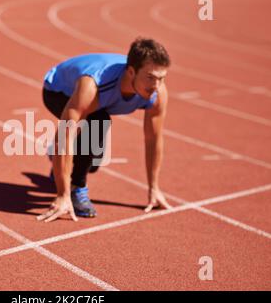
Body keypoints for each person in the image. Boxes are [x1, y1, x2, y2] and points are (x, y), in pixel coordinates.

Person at [37, 37, 172, 223]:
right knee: (97, 123)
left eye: (161, 78)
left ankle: (60, 162)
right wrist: (62, 195)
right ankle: (77, 186)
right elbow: (65, 137)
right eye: (150, 77)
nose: (156, 85)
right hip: (58, 90)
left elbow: (153, 139)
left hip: (101, 102)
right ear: (131, 72)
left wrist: (154, 187)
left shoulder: (156, 93)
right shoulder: (92, 85)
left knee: (91, 162)